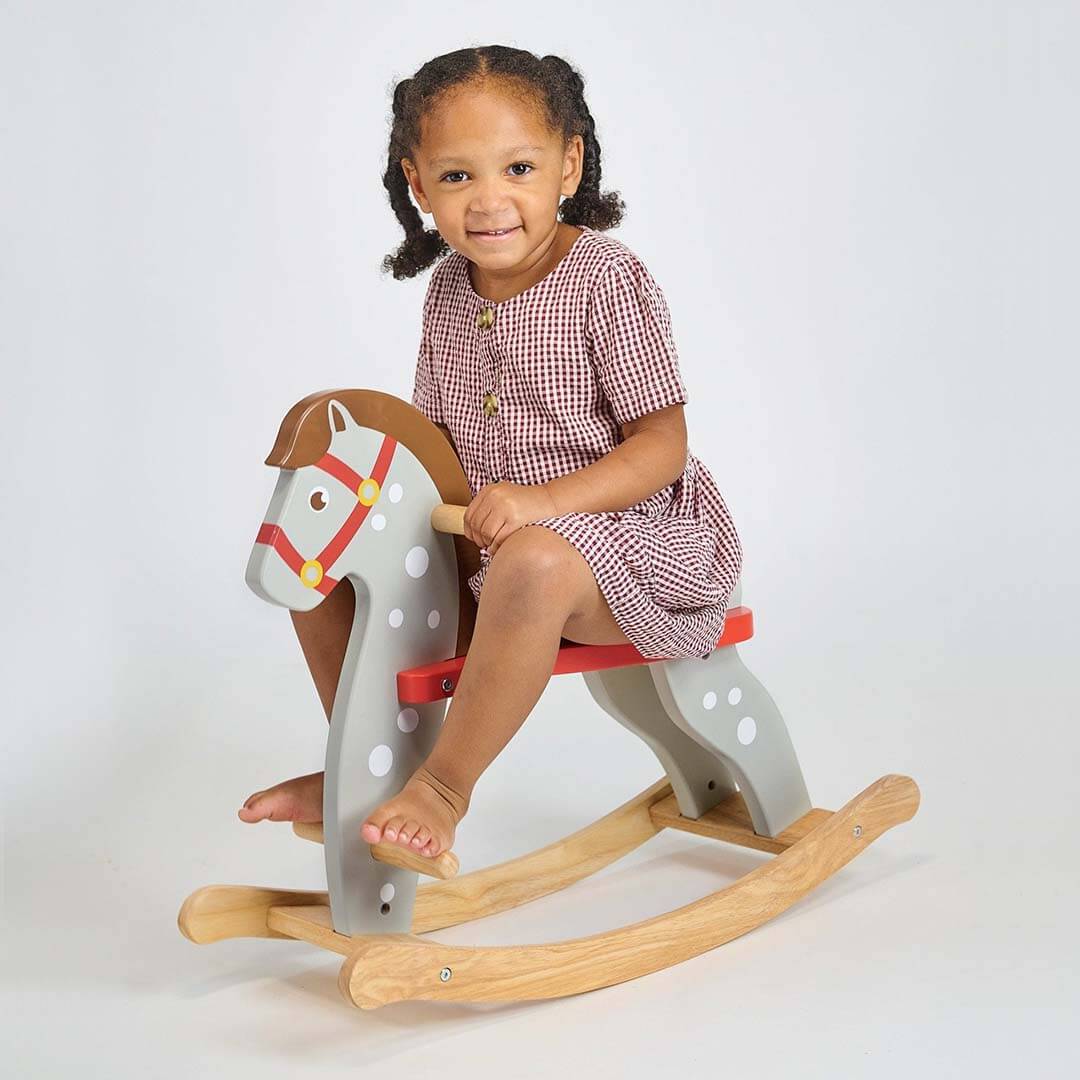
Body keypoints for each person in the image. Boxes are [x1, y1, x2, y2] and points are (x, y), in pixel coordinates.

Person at [239, 44, 743, 860]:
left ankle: (443, 787)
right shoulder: (448, 288)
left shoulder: (607, 281)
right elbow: (435, 448)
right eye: (457, 177)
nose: (488, 201)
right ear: (417, 184)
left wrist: (543, 505)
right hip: (485, 544)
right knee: (328, 560)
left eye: (517, 167)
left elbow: (662, 449)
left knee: (536, 561)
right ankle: (362, 763)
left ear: (569, 164)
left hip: (637, 545)